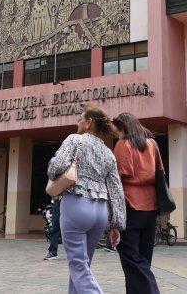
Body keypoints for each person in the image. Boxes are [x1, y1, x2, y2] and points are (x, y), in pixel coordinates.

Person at [47, 104, 126, 294]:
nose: (78, 123)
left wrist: (52, 162)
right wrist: (116, 224)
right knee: (83, 267)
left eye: (80, 119)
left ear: (89, 122)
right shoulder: (108, 152)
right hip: (100, 212)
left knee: (79, 267)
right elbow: (116, 190)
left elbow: (56, 168)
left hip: (76, 205)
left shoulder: (75, 140)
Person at [112, 112, 163, 293]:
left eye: (117, 131)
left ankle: (152, 290)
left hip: (130, 205)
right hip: (151, 206)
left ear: (123, 128)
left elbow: (117, 179)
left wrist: (113, 215)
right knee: (143, 258)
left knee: (131, 258)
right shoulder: (152, 144)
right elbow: (160, 173)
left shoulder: (123, 144)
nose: (117, 135)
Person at [44, 195, 63, 260]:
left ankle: (76, 253)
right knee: (55, 228)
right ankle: (52, 252)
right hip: (58, 201)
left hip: (72, 201)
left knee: (74, 228)